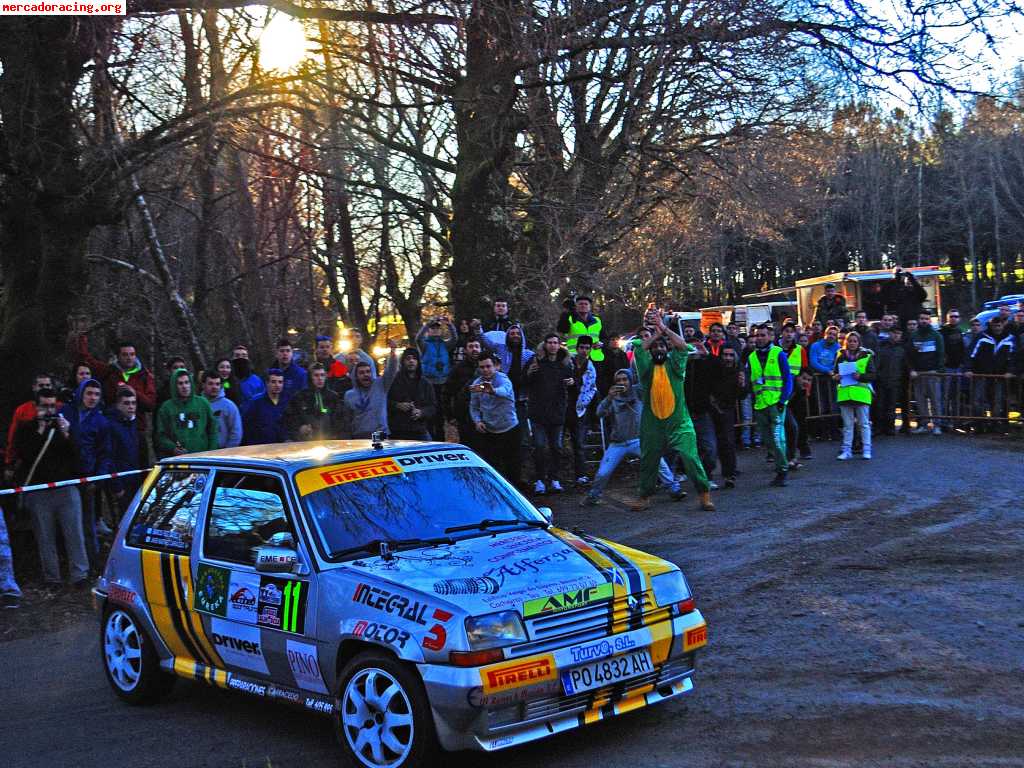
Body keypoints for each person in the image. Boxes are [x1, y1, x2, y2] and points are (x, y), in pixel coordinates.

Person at [631, 315, 714, 511]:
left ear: (667, 349)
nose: (658, 349)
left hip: (679, 422)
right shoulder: (645, 368)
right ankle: (644, 496)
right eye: (655, 347)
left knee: (690, 457)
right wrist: (656, 334)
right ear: (651, 351)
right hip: (652, 424)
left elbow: (683, 346)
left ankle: (704, 494)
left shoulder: (676, 365)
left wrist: (664, 328)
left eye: (662, 346)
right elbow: (639, 347)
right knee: (649, 461)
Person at [11, 389, 88, 587]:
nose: (49, 410)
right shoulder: (26, 429)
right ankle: (52, 577)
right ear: (36, 407)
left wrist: (67, 434)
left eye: (52, 406)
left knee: (74, 534)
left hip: (65, 487)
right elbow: (26, 455)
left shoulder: (63, 427)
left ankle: (80, 574)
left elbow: (78, 458)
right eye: (44, 406)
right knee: (45, 536)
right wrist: (40, 430)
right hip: (38, 491)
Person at [583, 369, 682, 506]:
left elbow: (650, 382)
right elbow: (599, 413)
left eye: (625, 379)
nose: (622, 382)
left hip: (638, 439)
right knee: (603, 473)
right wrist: (609, 398)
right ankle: (593, 495)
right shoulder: (613, 397)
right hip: (618, 443)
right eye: (619, 380)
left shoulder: (638, 391)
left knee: (658, 461)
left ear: (630, 380)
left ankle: (673, 488)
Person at [59, 377, 110, 571]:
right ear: (81, 393)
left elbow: (105, 453)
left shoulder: (101, 421)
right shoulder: (65, 412)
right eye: (89, 393)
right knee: (68, 523)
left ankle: (92, 562)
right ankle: (70, 563)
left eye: (97, 394)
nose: (93, 398)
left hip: (88, 477)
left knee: (88, 523)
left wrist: (98, 479)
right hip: (64, 475)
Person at [74, 337, 157, 429]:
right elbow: (87, 360)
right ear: (118, 356)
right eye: (125, 355)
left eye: (132, 354)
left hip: (137, 427)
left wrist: (134, 393)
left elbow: (151, 405)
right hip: (112, 426)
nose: (129, 358)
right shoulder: (109, 371)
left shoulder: (145, 375)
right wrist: (82, 338)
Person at [526, 334, 573, 494]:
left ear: (559, 345)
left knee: (557, 447)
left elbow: (573, 383)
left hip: (557, 412)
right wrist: (529, 373)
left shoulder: (565, 364)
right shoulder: (535, 361)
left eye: (555, 343)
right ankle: (540, 479)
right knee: (539, 447)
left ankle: (554, 478)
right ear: (545, 344)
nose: (553, 345)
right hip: (538, 412)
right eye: (550, 342)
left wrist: (572, 382)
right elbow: (524, 382)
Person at [747, 325, 793, 487]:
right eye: (757, 335)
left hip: (775, 403)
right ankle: (782, 462)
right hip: (760, 405)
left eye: (763, 335)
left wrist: (783, 400)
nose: (759, 338)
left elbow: (787, 378)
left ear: (770, 336)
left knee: (777, 438)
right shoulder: (752, 357)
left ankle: (782, 470)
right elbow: (750, 381)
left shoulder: (778, 353)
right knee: (768, 440)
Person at [468, 353, 521, 484]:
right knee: (494, 465)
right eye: (482, 367)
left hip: (509, 428)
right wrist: (477, 421)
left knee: (512, 465)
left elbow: (505, 391)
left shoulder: (503, 378)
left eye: (488, 366)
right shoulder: (477, 384)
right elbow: (474, 406)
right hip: (490, 430)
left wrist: (492, 391)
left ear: (495, 366)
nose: (485, 370)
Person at [966, 315, 1017, 433]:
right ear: (991, 326)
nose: (997, 328)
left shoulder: (1010, 339)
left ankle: (995, 424)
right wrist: (968, 368)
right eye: (994, 326)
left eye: (999, 325)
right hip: (981, 374)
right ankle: (979, 424)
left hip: (999, 376)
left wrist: (1010, 371)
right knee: (977, 400)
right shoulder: (982, 337)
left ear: (1003, 325)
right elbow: (971, 353)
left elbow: (1013, 357)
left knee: (997, 400)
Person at [104, 386, 147, 521]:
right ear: (118, 405)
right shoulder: (110, 425)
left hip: (135, 481)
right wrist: (117, 487)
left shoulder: (132, 423)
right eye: (126, 403)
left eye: (133, 403)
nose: (131, 407)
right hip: (121, 483)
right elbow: (109, 457)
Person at [832, 331, 876, 460]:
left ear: (859, 343)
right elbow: (834, 373)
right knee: (847, 425)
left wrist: (860, 376)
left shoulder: (866, 355)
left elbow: (873, 375)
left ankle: (867, 449)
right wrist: (836, 377)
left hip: (861, 394)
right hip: (845, 395)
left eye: (855, 341)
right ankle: (847, 450)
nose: (852, 343)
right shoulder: (840, 355)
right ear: (846, 342)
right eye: (850, 341)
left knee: (864, 424)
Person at [154, 369, 218, 457]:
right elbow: (160, 435)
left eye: (187, 382)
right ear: (174, 386)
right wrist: (173, 448)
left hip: (203, 457)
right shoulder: (166, 408)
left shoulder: (203, 403)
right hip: (178, 459)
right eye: (180, 383)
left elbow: (213, 430)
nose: (184, 386)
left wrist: (212, 452)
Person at [344, 341, 399, 439]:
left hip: (380, 434)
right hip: (359, 436)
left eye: (368, 371)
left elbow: (391, 370)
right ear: (355, 376)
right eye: (361, 373)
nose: (365, 375)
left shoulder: (381, 385)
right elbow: (347, 418)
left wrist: (393, 353)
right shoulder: (349, 395)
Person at [708, 346, 746, 488]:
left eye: (731, 355)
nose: (728, 358)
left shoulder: (738, 371)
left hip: (727, 410)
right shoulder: (714, 370)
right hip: (710, 409)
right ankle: (707, 475)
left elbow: (742, 395)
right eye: (725, 355)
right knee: (709, 444)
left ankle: (729, 474)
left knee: (727, 442)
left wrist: (742, 385)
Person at [416, 317, 458, 440]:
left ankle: (440, 438)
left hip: (443, 382)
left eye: (437, 328)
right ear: (429, 330)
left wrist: (450, 325)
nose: (435, 330)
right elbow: (418, 339)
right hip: (429, 383)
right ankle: (429, 438)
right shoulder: (425, 345)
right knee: (430, 413)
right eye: (432, 328)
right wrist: (426, 325)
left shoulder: (445, 344)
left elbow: (455, 339)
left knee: (440, 413)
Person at [5, 372, 56, 470]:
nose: (45, 388)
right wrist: (9, 462)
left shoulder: (58, 407)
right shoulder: (22, 410)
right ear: (34, 387)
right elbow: (13, 438)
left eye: (48, 385)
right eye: (41, 385)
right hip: (29, 459)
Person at [565, 335, 598, 485]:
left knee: (579, 443)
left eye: (587, 348)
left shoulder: (590, 367)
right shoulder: (567, 362)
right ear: (577, 348)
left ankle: (581, 474)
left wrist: (584, 403)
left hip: (579, 409)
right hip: (563, 406)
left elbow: (591, 388)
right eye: (582, 347)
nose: (584, 351)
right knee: (556, 444)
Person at [284, 362, 344, 441]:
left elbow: (340, 421)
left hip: (329, 441)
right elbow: (290, 420)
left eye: (322, 375)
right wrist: (300, 428)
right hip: (306, 441)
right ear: (310, 377)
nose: (320, 378)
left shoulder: (333, 397)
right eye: (316, 375)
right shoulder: (300, 397)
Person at [907, 310, 945, 434]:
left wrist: (939, 370)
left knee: (935, 400)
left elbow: (941, 354)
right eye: (922, 318)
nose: (924, 321)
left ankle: (937, 425)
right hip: (918, 373)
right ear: (919, 320)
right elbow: (910, 355)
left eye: (926, 319)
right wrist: (912, 369)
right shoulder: (913, 336)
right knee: (920, 401)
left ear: (930, 320)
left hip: (932, 372)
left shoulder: (936, 335)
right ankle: (924, 424)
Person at [386, 348, 436, 441]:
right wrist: (397, 405)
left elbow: (432, 406)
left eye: (414, 358)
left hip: (419, 430)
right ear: (403, 361)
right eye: (408, 358)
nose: (411, 361)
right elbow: (383, 401)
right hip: (397, 431)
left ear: (418, 362)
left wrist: (421, 412)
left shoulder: (426, 383)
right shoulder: (393, 381)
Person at [779, 323, 811, 464]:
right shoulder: (775, 350)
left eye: (792, 332)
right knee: (781, 422)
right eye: (786, 331)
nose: (789, 334)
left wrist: (805, 387)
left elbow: (805, 370)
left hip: (797, 390)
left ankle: (803, 447)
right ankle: (781, 451)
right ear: (782, 333)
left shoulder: (799, 350)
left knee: (800, 420)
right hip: (780, 390)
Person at [447, 338, 483, 447]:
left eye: (476, 346)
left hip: (485, 413)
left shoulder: (487, 367)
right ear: (465, 350)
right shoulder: (457, 369)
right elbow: (447, 393)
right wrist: (450, 416)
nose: (474, 349)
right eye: (471, 347)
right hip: (464, 416)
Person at [808, 325, 841, 440]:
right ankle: (824, 432)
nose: (831, 336)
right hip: (819, 380)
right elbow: (813, 362)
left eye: (834, 335)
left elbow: (837, 362)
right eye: (829, 333)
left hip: (832, 380)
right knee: (821, 405)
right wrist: (827, 371)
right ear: (825, 334)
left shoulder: (838, 347)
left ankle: (834, 430)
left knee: (834, 405)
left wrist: (832, 371)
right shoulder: (815, 346)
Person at [874, 326, 907, 436]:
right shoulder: (881, 346)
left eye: (899, 333)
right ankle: (879, 427)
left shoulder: (902, 348)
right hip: (882, 380)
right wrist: (878, 376)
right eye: (894, 333)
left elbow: (904, 366)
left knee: (891, 406)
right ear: (890, 333)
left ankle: (890, 427)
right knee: (880, 405)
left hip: (895, 381)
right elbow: (877, 363)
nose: (896, 335)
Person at [558, 294, 609, 363]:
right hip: (575, 357)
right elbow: (561, 331)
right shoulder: (569, 318)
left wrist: (601, 344)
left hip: (595, 358)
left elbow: (605, 338)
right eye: (580, 304)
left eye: (586, 304)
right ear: (576, 306)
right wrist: (566, 314)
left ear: (590, 307)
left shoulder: (597, 320)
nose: (583, 306)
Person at [243, 370, 288, 445]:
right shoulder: (255, 402)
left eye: (280, 382)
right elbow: (246, 426)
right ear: (267, 383)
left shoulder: (286, 402)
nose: (277, 385)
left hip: (282, 446)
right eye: (273, 382)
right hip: (261, 447)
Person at [202, 371, 242, 448]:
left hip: (222, 451)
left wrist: (226, 451)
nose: (214, 387)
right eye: (210, 384)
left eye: (217, 384)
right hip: (200, 452)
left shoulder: (229, 406)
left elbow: (236, 433)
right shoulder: (198, 404)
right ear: (203, 385)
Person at [230, 345, 266, 413]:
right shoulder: (227, 381)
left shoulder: (256, 380)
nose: (240, 358)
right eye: (237, 356)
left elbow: (264, 401)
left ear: (248, 359)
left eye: (244, 356)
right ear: (232, 358)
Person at [273, 338, 308, 404]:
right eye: (282, 351)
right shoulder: (270, 373)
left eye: (288, 351)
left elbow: (305, 397)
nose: (285, 354)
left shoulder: (301, 374)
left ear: (292, 353)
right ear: (276, 353)